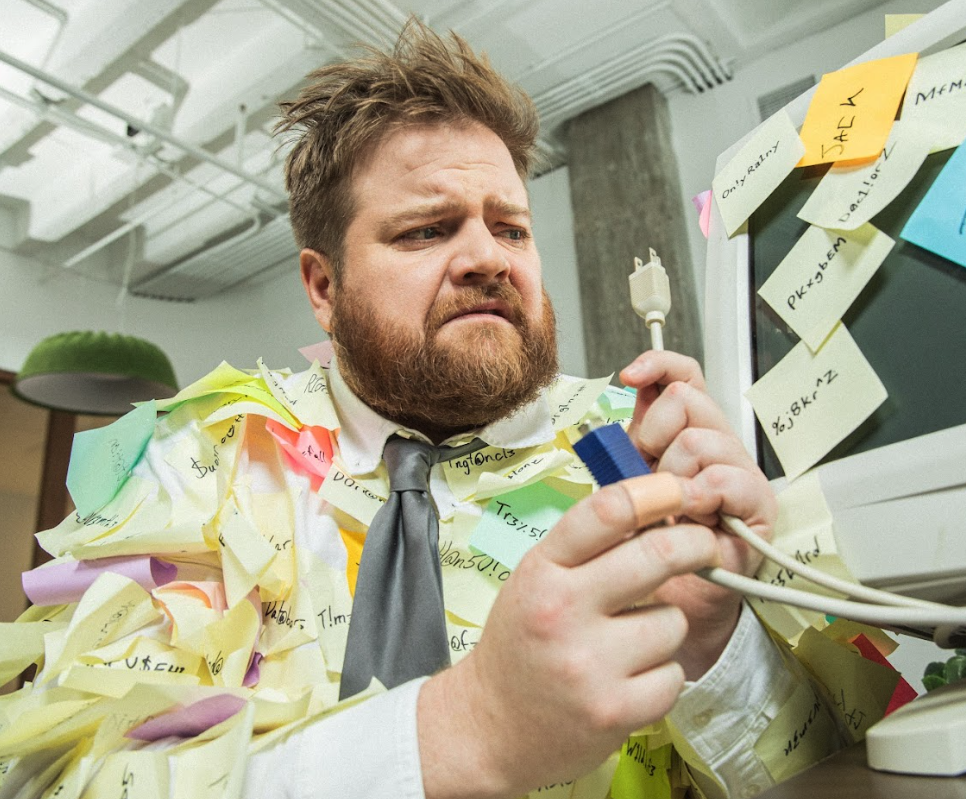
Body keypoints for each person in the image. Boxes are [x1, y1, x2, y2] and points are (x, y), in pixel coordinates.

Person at [6, 19, 846, 799]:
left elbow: (828, 766)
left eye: (512, 229)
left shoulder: (650, 456)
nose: (487, 257)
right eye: (425, 231)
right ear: (324, 288)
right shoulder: (195, 460)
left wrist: (716, 642)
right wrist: (467, 728)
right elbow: (55, 773)